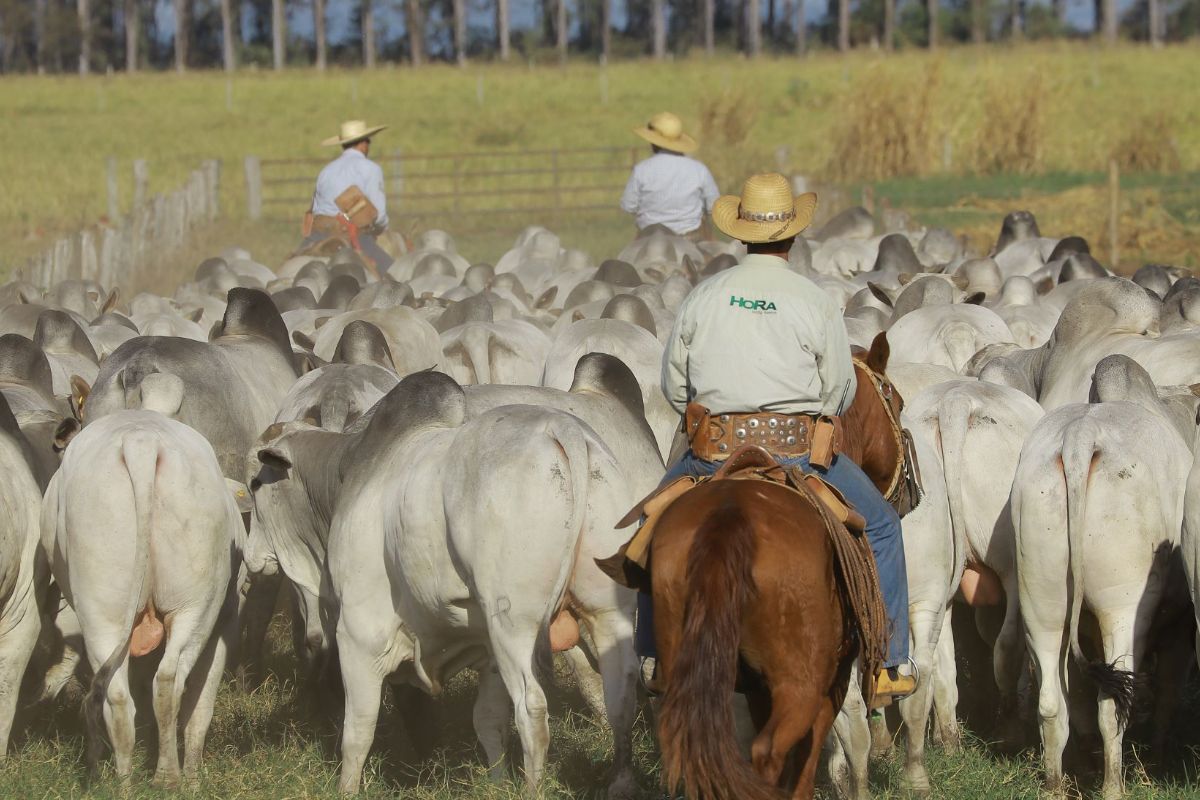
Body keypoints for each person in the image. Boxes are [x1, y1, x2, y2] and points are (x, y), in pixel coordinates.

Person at [640, 172, 916, 702]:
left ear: (741, 234)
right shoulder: (812, 299)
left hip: (712, 450)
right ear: (793, 236)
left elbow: (675, 385)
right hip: (799, 453)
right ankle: (890, 662)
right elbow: (839, 388)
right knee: (882, 527)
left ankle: (654, 656)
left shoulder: (704, 295)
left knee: (653, 524)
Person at [301, 119, 395, 272]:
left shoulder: (325, 171)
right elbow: (379, 216)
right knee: (394, 274)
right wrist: (380, 228)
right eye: (368, 141)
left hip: (318, 235)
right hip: (354, 236)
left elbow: (315, 209)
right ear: (363, 144)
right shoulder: (370, 169)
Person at [620, 112, 720, 241]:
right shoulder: (699, 169)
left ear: (653, 142)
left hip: (649, 236)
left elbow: (628, 205)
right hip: (690, 236)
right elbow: (714, 207)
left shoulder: (641, 170)